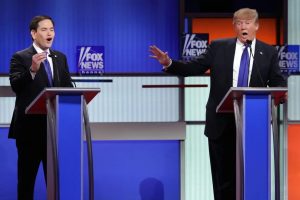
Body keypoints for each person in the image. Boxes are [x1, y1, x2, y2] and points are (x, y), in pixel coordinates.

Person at [149, 8, 287, 200]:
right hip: (221, 123)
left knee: (252, 176)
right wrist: (169, 62)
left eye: (247, 23)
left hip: (254, 124)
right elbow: (193, 68)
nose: (243, 26)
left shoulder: (269, 52)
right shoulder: (219, 47)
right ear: (234, 27)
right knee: (223, 180)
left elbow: (278, 82)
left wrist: (280, 95)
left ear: (256, 26)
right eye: (238, 23)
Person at [8, 15, 73, 200]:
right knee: (26, 181)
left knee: (54, 181)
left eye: (52, 29)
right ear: (33, 33)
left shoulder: (60, 57)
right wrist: (33, 70)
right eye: (44, 29)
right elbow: (16, 86)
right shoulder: (20, 57)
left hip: (54, 130)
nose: (49, 33)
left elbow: (67, 87)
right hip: (29, 130)